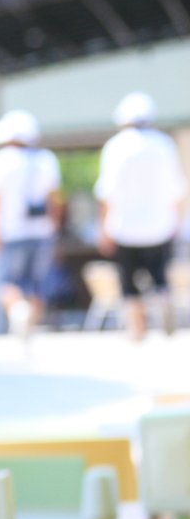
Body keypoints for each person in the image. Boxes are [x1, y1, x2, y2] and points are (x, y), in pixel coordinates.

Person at [94, 91, 188, 340]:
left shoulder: (115, 147)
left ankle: (137, 329)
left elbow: (106, 194)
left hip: (124, 227)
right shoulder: (164, 145)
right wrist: (177, 221)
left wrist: (102, 227)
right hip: (160, 225)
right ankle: (164, 298)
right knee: (159, 275)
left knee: (129, 282)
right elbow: (177, 190)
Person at [0, 109, 64, 337]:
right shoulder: (46, 159)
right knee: (38, 285)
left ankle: (19, 311)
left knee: (6, 283)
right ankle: (29, 330)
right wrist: (53, 226)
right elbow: (55, 200)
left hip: (11, 233)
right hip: (42, 232)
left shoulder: (0, 161)